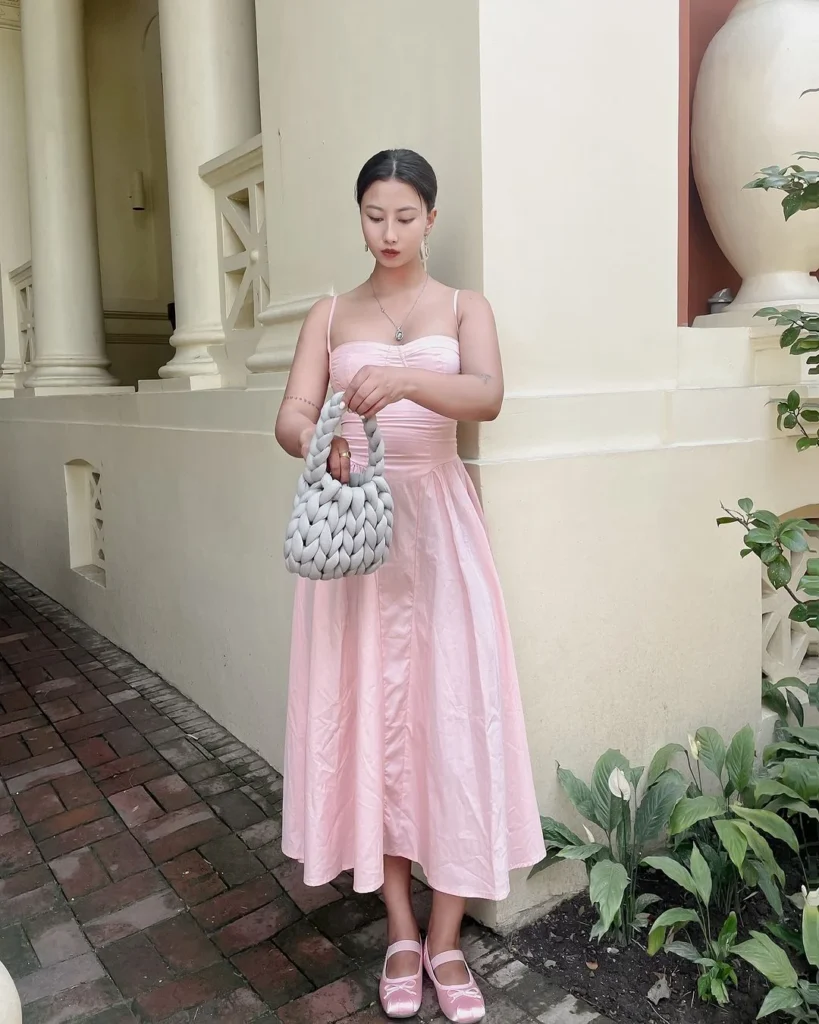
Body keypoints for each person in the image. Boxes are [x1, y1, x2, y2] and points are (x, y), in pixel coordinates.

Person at [275, 149, 545, 1022]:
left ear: (430, 217)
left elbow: (487, 395)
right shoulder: (329, 311)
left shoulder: (466, 307)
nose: (386, 233)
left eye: (402, 216)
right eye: (371, 215)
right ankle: (398, 927)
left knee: (452, 720)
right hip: (359, 539)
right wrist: (328, 442)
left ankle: (445, 939)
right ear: (359, 215)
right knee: (372, 723)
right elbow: (289, 411)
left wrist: (405, 381)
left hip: (440, 530)